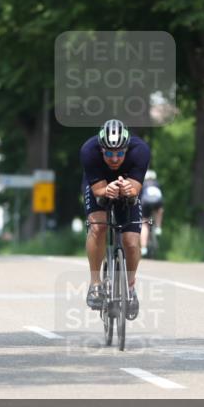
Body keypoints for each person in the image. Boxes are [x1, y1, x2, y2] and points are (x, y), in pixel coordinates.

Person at [81, 119, 150, 319]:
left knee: (131, 241)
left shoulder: (140, 151)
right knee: (98, 227)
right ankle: (95, 284)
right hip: (98, 186)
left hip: (128, 187)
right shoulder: (89, 150)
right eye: (109, 154)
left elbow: (135, 190)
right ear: (101, 149)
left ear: (127, 148)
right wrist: (106, 190)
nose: (114, 159)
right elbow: (98, 191)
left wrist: (129, 190)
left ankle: (130, 286)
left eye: (120, 153)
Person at [139, 169, 164, 257]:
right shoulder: (157, 183)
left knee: (145, 223)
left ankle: (143, 247)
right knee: (160, 210)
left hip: (145, 202)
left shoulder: (143, 184)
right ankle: (158, 227)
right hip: (157, 201)